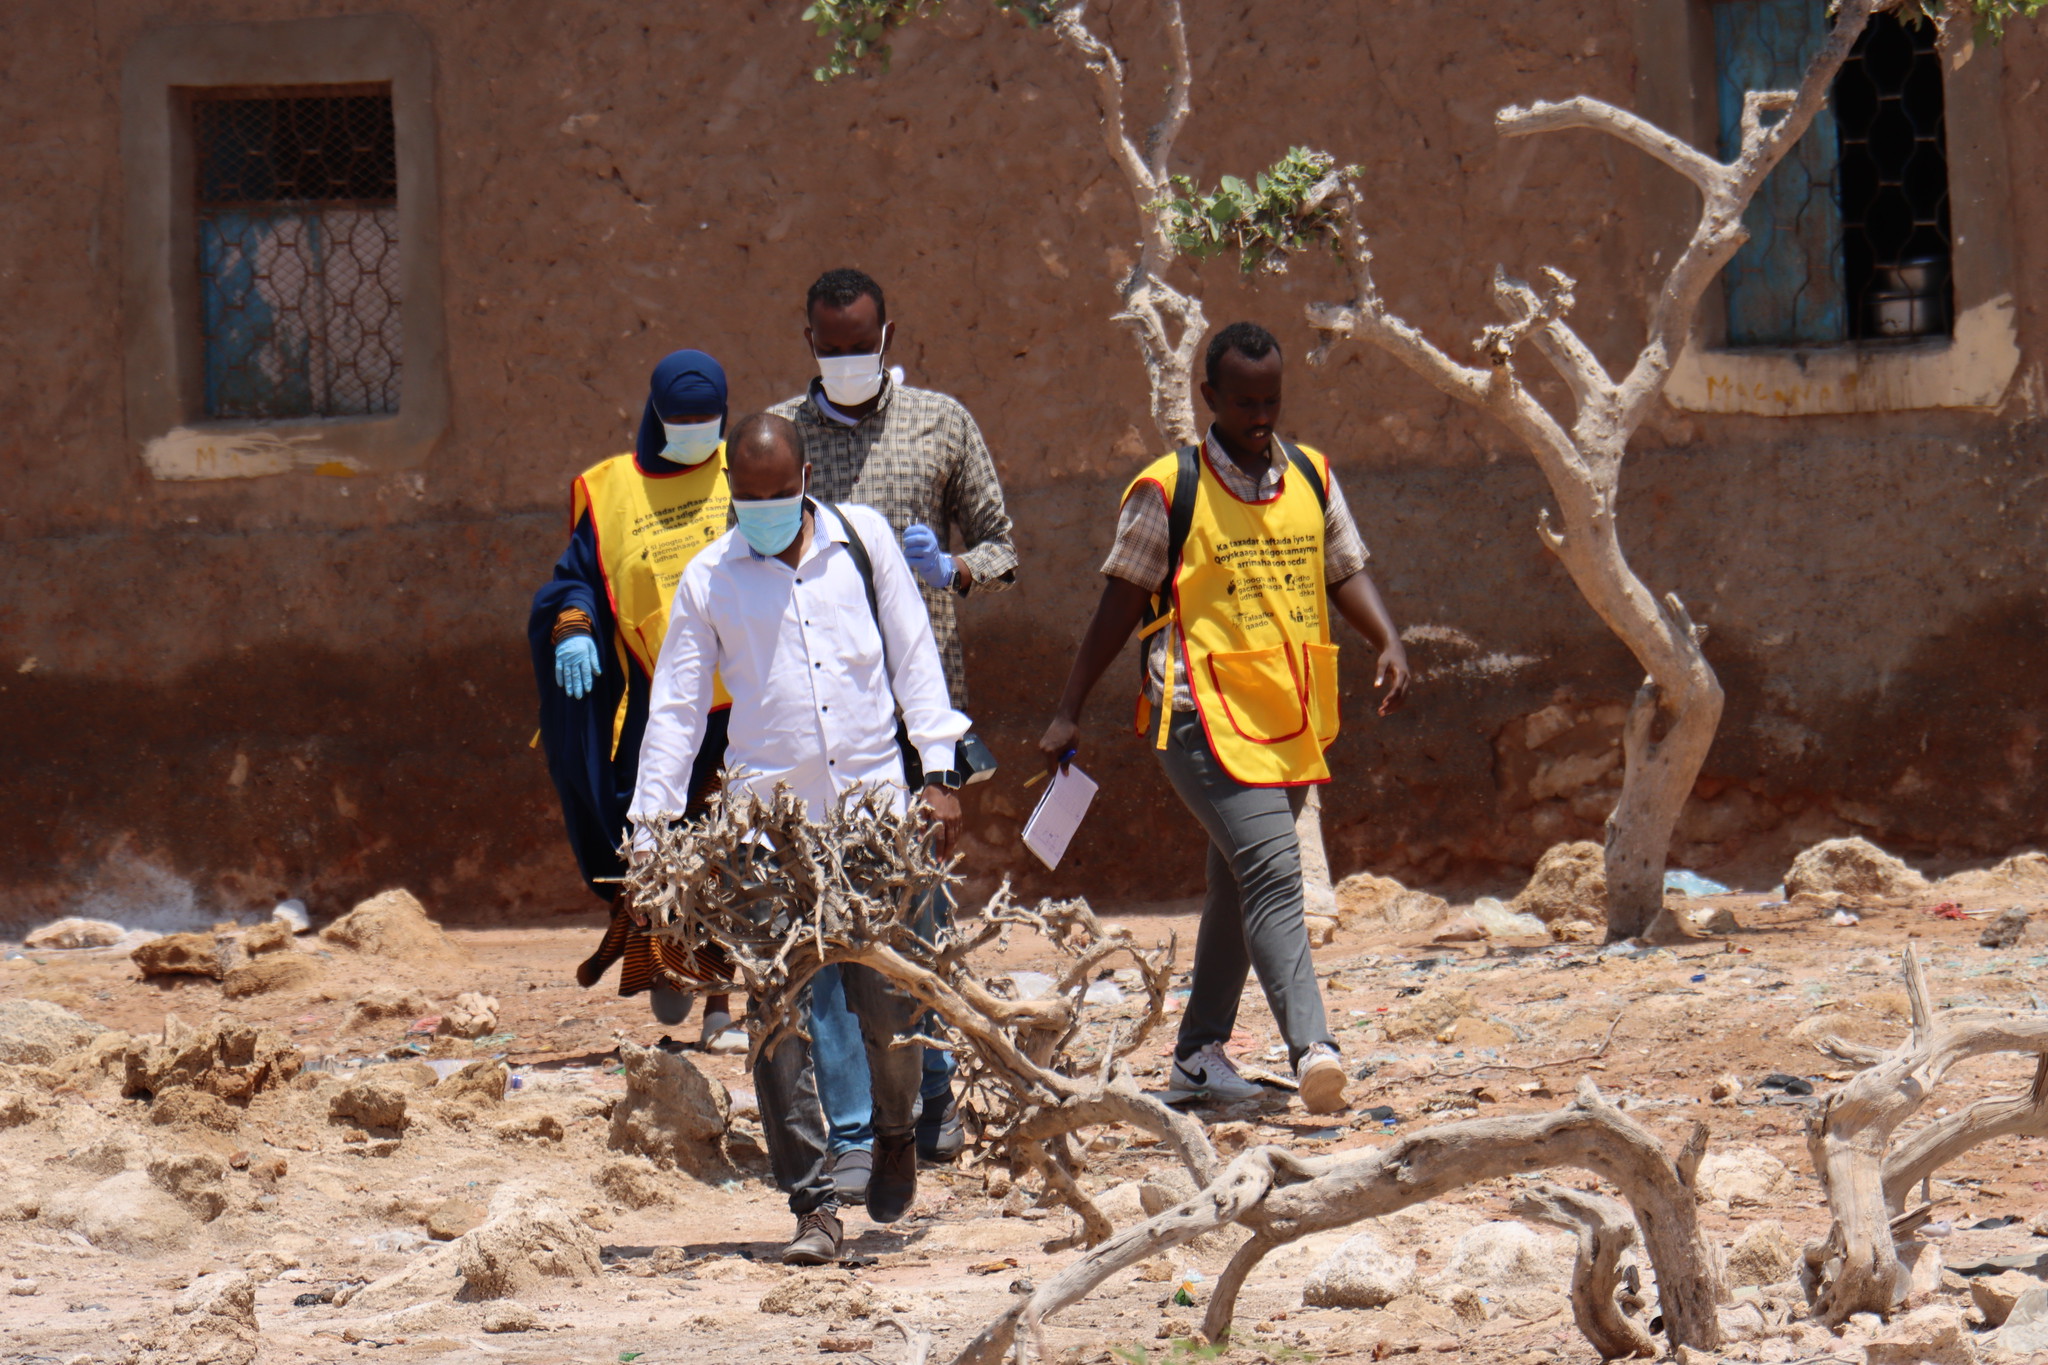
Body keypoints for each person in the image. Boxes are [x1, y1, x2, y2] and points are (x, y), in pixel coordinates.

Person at [1036, 322, 1412, 1115]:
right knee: (1275, 870)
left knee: (1241, 884)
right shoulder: (1167, 490)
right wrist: (1068, 709)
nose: (1261, 416)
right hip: (1195, 712)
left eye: (1272, 400)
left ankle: (1199, 1056)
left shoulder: (1311, 474)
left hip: (1289, 712)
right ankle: (1315, 1045)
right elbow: (1117, 605)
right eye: (1244, 402)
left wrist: (1388, 639)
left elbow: (1345, 566)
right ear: (1210, 398)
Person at [627, 412, 971, 1266]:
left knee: (891, 1003)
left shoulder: (865, 540)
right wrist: (649, 828)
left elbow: (912, 650)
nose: (768, 512)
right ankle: (812, 1200)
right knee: (779, 1021)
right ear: (732, 495)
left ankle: (895, 1132)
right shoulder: (711, 576)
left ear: (807, 477)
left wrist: (939, 768)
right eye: (751, 500)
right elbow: (674, 706)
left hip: (874, 815)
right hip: (767, 832)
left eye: (781, 496)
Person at [768, 267, 1017, 1184]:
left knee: (919, 915)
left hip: (921, 711)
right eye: (828, 347)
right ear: (809, 342)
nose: (845, 360)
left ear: (888, 335)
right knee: (829, 928)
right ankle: (861, 1125)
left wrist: (952, 567)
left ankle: (936, 1092)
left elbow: (1004, 546)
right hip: (817, 718)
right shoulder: (777, 436)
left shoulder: (942, 423)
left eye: (859, 345)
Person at [528, 349, 743, 1048]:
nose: (694, 430)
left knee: (742, 849)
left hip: (748, 700)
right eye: (680, 420)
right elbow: (577, 578)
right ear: (655, 415)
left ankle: (726, 1007)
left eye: (704, 420)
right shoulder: (609, 489)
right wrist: (572, 626)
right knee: (667, 842)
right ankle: (677, 963)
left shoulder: (748, 466)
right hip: (662, 704)